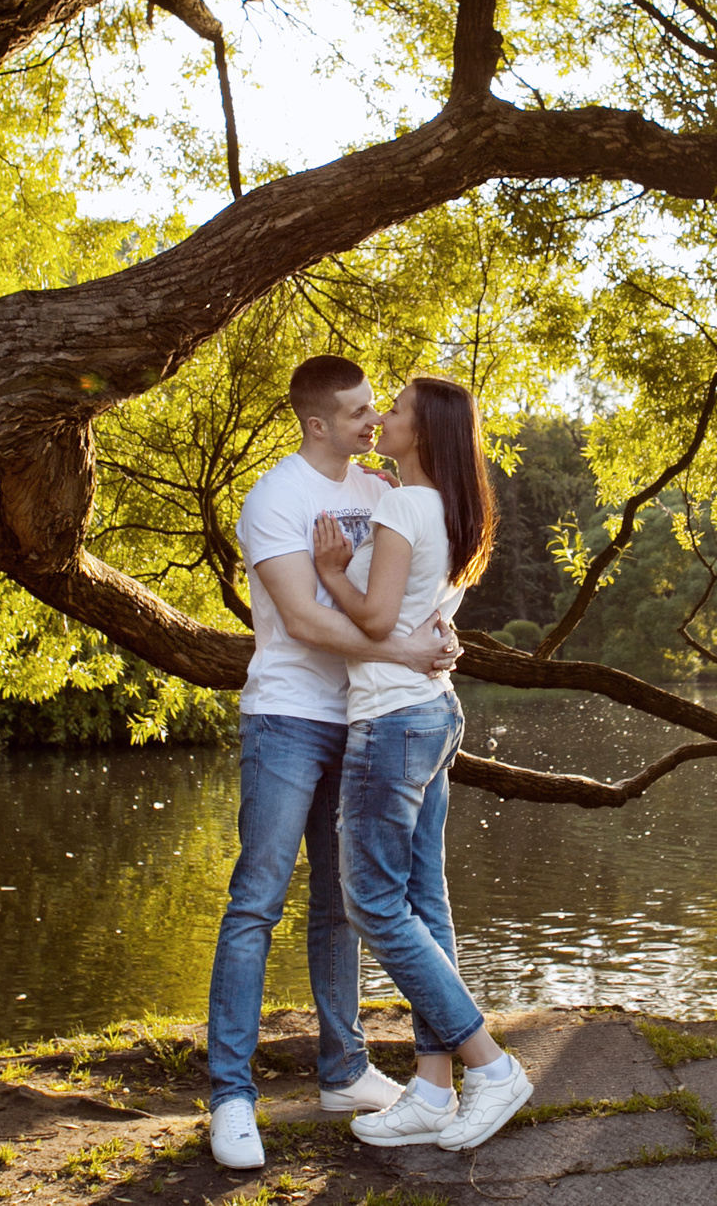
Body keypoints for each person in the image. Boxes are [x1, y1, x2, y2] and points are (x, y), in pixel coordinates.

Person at [205, 355, 462, 1171]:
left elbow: (411, 589)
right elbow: (310, 623)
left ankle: (344, 1070)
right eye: (356, 411)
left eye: (374, 407)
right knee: (257, 899)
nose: (371, 420)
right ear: (318, 423)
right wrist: (409, 644)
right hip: (286, 714)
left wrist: (440, 636)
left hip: (364, 720)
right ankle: (231, 1095)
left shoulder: (382, 495)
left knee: (341, 905)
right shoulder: (276, 497)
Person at [308, 374, 531, 1152]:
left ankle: (491, 1066)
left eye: (395, 410)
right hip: (433, 713)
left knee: (371, 902)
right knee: (423, 904)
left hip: (393, 717)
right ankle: (434, 1089)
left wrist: (335, 569)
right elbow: (408, 609)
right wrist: (378, 496)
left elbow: (372, 618)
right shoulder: (444, 508)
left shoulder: (405, 507)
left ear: (424, 432)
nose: (382, 419)